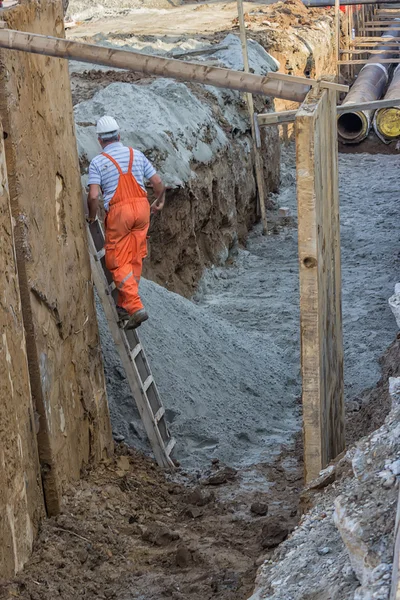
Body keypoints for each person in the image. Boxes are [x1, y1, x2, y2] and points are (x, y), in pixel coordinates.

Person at [87, 115, 165, 329]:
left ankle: (135, 306)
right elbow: (158, 183)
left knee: (117, 260)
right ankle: (123, 306)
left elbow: (93, 196)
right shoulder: (136, 155)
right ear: (119, 136)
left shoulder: (98, 162)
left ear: (100, 140)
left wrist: (92, 217)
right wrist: (159, 201)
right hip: (142, 209)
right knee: (134, 256)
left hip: (120, 213)